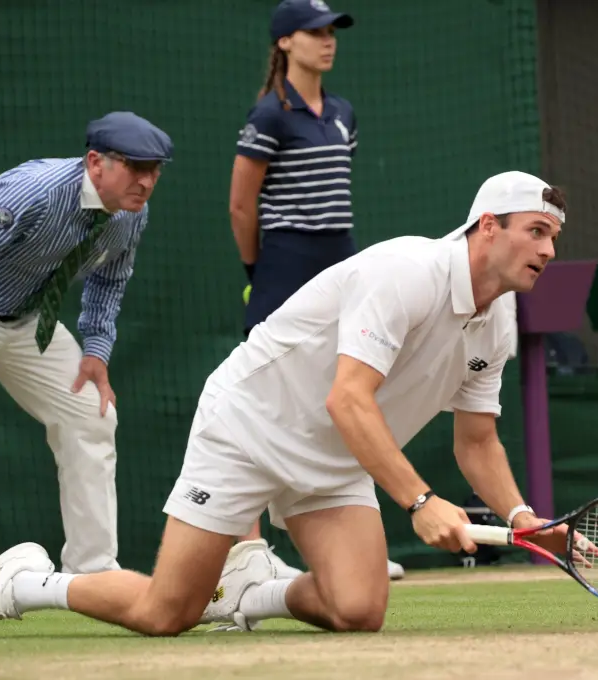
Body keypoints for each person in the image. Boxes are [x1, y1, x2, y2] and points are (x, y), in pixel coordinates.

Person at [0, 170, 593, 640]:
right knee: (167, 612)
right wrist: (420, 503)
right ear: (487, 226)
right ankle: (20, 584)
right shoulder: (407, 274)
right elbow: (349, 397)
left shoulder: (498, 321)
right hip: (250, 424)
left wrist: (521, 518)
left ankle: (250, 596)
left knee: (358, 609)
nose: (548, 250)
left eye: (554, 238)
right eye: (535, 231)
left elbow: (476, 441)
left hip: (334, 455)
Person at [0, 111, 172, 607]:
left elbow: (110, 280)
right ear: (95, 163)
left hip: (24, 321)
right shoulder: (37, 190)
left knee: (93, 414)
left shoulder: (132, 212)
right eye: (135, 167)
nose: (147, 180)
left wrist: (95, 350)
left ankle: (92, 571)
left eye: (154, 169)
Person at [228, 0, 403, 579]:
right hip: (282, 261)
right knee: (265, 399)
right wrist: (260, 272)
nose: (327, 42)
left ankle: (347, 550)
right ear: (284, 43)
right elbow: (241, 204)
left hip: (339, 261)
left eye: (331, 33)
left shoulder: (344, 113)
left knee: (343, 395)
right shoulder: (268, 116)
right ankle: (244, 549)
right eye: (314, 33)